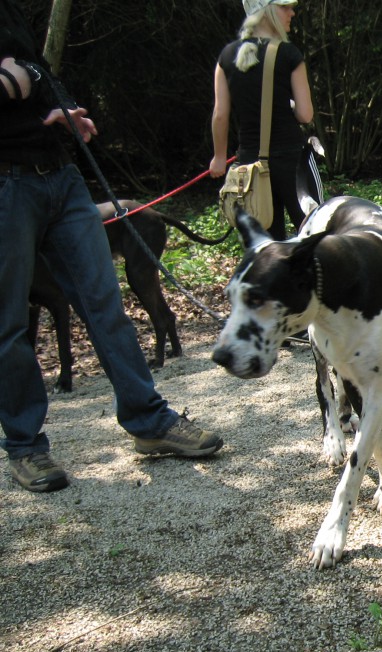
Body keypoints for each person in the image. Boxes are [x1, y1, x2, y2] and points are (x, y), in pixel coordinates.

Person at [1, 0, 223, 493]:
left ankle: (149, 422)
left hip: (60, 176)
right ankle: (26, 447)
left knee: (105, 304)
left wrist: (56, 103)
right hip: (6, 186)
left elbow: (34, 73)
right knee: (10, 324)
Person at [209, 0, 319, 241]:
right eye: (285, 7)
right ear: (266, 12)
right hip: (293, 162)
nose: (292, 13)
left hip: (250, 166)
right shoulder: (289, 54)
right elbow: (305, 114)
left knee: (267, 249)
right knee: (316, 237)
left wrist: (218, 157)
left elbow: (220, 115)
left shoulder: (227, 57)